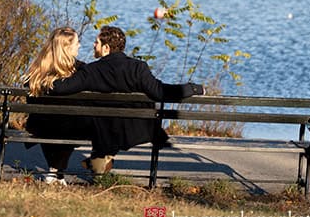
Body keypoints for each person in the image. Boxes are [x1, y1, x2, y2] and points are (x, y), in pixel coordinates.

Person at [51, 25, 205, 174]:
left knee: (100, 122)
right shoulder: (138, 68)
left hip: (102, 130)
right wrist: (194, 88)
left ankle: (99, 162)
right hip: (132, 130)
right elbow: (161, 92)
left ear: (106, 48)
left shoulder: (91, 71)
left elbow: (61, 88)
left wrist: (41, 79)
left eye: (96, 42)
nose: (93, 45)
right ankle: (99, 163)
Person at [23, 27, 93, 185]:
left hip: (41, 125)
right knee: (69, 123)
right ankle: (57, 172)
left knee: (48, 121)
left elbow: (30, 99)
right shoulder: (81, 70)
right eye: (77, 42)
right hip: (71, 127)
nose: (79, 46)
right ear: (66, 47)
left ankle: (54, 171)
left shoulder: (38, 71)